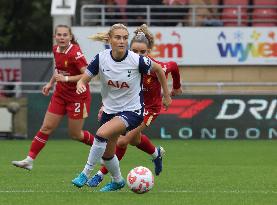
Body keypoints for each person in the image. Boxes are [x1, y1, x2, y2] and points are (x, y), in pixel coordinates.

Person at [71, 23, 172, 192]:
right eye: (118, 37)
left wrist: (167, 95)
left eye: (125, 38)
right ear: (109, 39)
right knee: (108, 154)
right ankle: (118, 180)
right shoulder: (101, 58)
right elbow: (84, 78)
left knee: (101, 134)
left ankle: (85, 173)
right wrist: (80, 84)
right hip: (110, 111)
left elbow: (160, 71)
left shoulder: (137, 60)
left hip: (132, 112)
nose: (122, 41)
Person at [11, 25, 95, 170]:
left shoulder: (75, 53)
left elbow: (87, 75)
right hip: (60, 95)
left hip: (77, 97)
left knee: (75, 134)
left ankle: (101, 148)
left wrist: (66, 80)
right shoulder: (56, 49)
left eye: (65, 35)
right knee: (46, 127)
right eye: (59, 35)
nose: (62, 37)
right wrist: (50, 83)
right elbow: (59, 69)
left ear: (70, 37)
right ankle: (29, 160)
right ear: (55, 37)